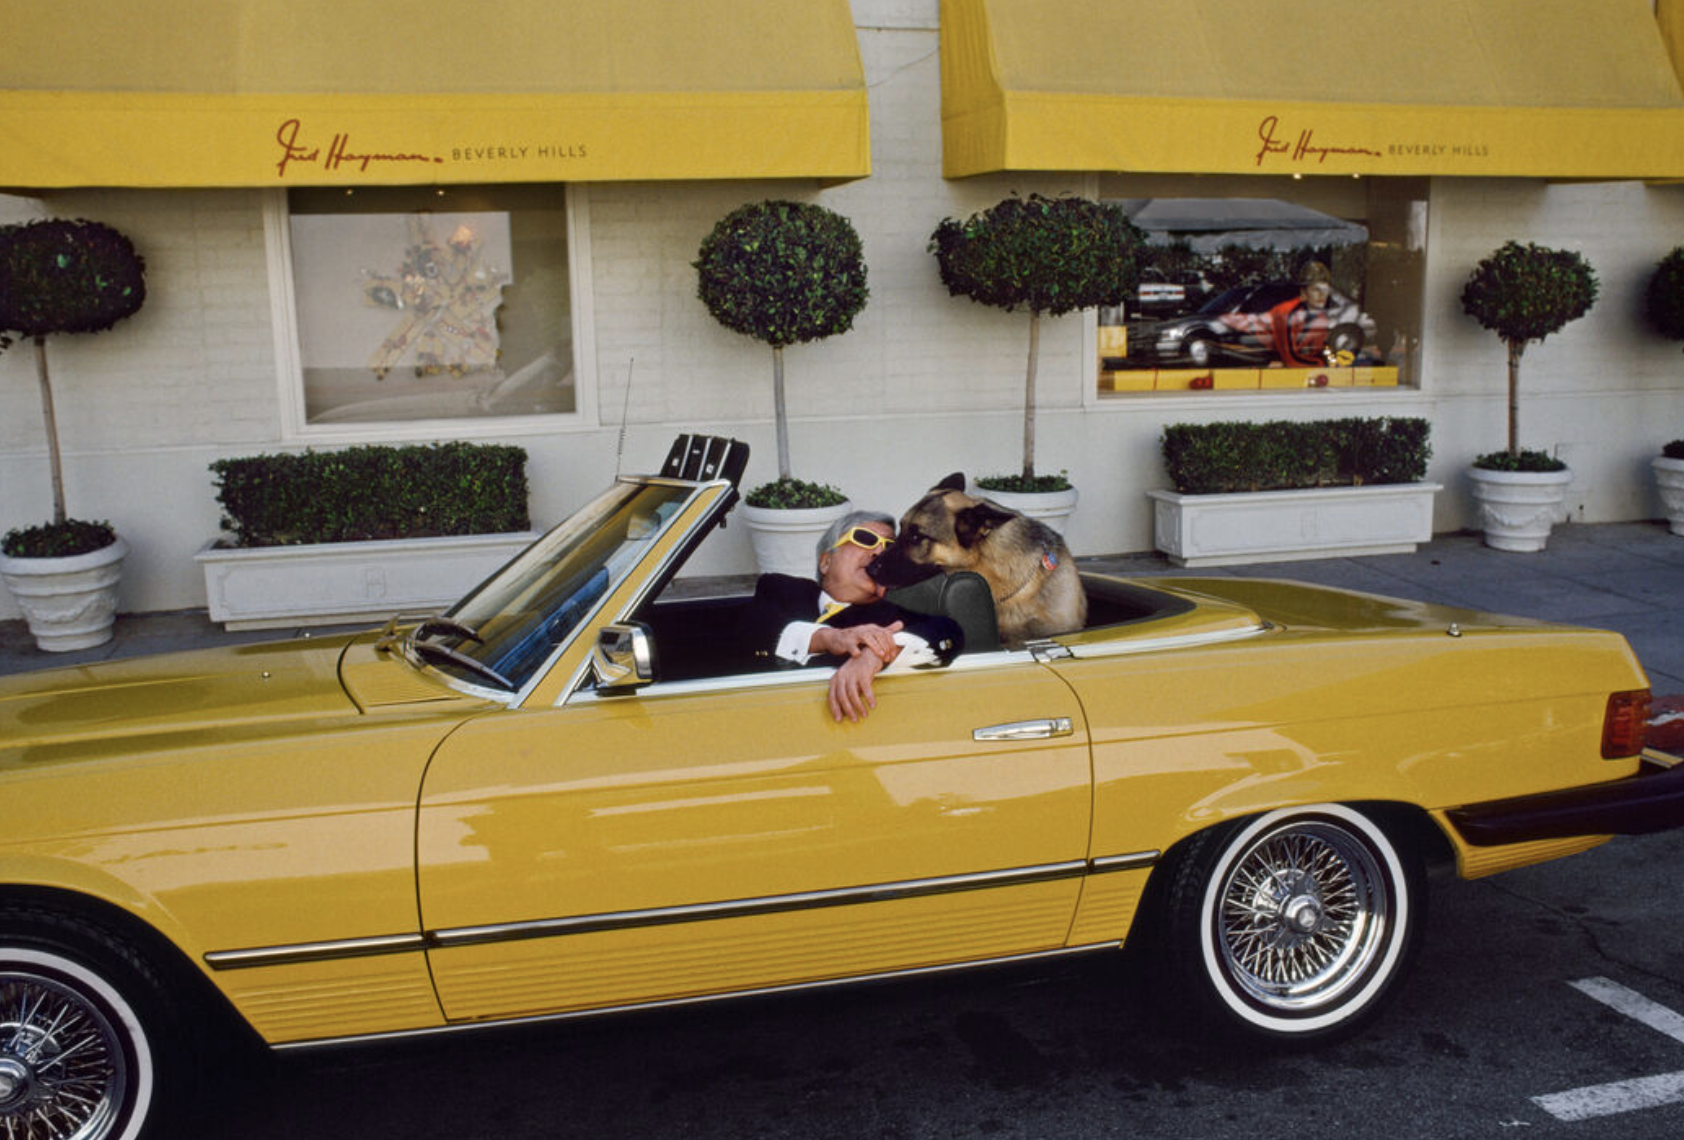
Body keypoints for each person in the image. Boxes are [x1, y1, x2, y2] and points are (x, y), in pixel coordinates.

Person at [744, 510, 962, 723]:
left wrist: (879, 653)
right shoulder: (781, 588)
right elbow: (757, 631)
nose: (879, 551)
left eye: (889, 547)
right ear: (826, 562)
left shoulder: (891, 620)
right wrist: (830, 638)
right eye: (865, 539)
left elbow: (949, 632)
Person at [1268, 261, 1336, 368]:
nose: (1322, 295)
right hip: (1251, 354)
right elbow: (1291, 360)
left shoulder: (1321, 318)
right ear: (1303, 293)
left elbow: (1318, 350)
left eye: (1325, 289)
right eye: (1316, 289)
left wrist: (1334, 362)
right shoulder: (1285, 313)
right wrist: (1324, 365)